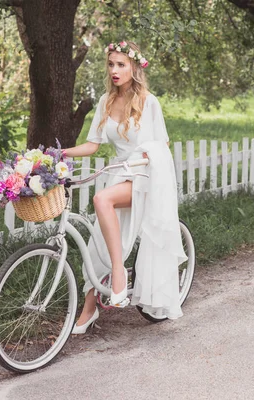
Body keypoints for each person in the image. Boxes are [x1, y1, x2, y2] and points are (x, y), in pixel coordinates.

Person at [63, 40, 186, 334]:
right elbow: (93, 145)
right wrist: (60, 153)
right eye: (111, 64)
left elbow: (163, 145)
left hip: (146, 175)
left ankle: (119, 276)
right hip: (119, 174)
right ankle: (89, 310)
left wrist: (146, 159)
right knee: (98, 244)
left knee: (102, 200)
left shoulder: (148, 101)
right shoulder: (106, 101)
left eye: (121, 64)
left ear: (134, 67)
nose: (115, 70)